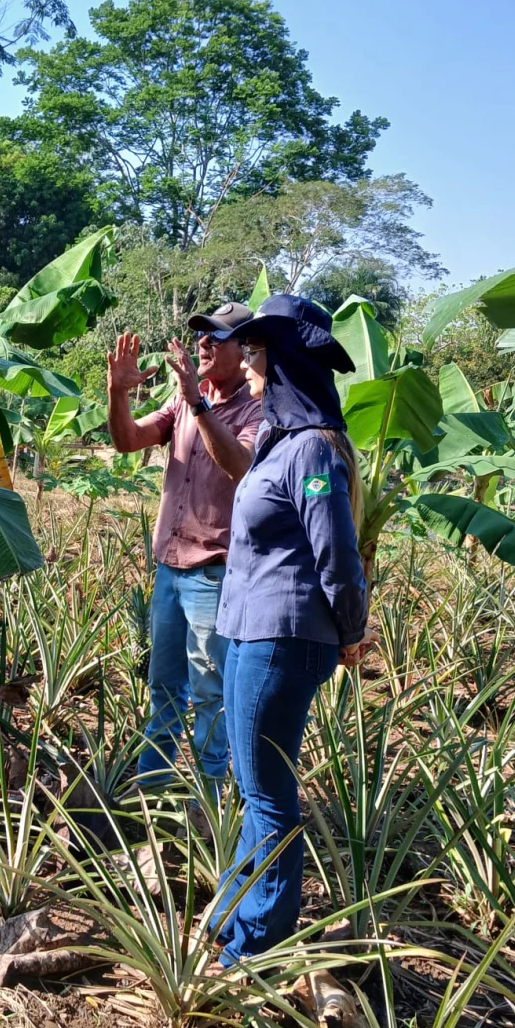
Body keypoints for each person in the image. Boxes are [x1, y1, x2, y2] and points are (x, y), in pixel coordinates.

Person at [211, 293, 370, 969]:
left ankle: (258, 945)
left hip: (283, 636)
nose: (246, 361)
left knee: (269, 795)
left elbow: (336, 551)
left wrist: (352, 631)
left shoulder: (311, 452)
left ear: (282, 365)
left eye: (255, 351)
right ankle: (233, 918)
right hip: (252, 631)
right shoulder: (280, 444)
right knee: (253, 785)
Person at [106, 304, 264, 795]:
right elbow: (128, 439)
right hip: (169, 569)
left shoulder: (258, 411)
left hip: (213, 573)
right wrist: (118, 392)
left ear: (246, 352)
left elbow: (240, 464)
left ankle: (208, 799)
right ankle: (151, 793)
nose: (204, 344)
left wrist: (199, 403)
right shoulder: (180, 405)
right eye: (202, 336)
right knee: (164, 688)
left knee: (209, 691)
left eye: (218, 338)